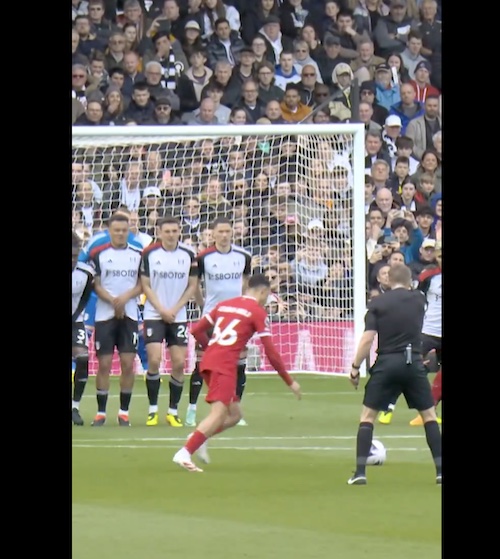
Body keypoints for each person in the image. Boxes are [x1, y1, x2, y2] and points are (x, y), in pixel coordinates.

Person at [172, 274, 302, 472]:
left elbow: (197, 330)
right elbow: (270, 351)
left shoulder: (225, 305)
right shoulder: (256, 312)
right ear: (263, 292)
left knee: (234, 415)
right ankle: (185, 452)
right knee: (220, 412)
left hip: (209, 360)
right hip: (224, 365)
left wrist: (212, 348)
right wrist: (289, 381)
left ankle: (197, 438)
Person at [347, 264, 442, 485]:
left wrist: (355, 367)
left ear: (388, 279)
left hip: (388, 362)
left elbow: (367, 339)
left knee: (367, 417)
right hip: (413, 362)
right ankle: (440, 471)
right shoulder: (419, 301)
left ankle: (360, 473)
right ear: (410, 281)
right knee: (429, 416)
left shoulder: (378, 304)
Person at [186, 217, 252, 427]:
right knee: (202, 363)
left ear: (232, 233)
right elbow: (195, 285)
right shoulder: (204, 257)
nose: (224, 235)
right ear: (213, 234)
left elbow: (246, 283)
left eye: (227, 231)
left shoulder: (243, 256)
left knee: (238, 365)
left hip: (236, 319)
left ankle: (235, 408)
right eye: (220, 232)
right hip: (212, 317)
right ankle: (191, 408)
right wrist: (202, 304)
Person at [140, 216, 198, 427]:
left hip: (178, 315)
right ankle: (152, 410)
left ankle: (172, 411)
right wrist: (162, 309)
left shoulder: (188, 254)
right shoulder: (149, 254)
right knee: (154, 360)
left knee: (179, 363)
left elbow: (192, 285)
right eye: (167, 231)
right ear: (159, 232)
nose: (172, 235)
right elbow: (145, 285)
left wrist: (174, 308)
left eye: (175, 231)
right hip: (154, 314)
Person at [78, 207, 149, 376]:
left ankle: (146, 368)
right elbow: (81, 261)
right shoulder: (97, 241)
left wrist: (125, 298)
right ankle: (75, 368)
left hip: (128, 299)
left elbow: (143, 278)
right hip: (99, 295)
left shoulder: (137, 244)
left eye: (127, 222)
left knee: (137, 333)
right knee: (85, 332)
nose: (123, 229)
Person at [377, 244, 442, 425]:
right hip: (427, 331)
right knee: (406, 367)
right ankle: (387, 408)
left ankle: (428, 412)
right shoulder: (429, 277)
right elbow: (412, 296)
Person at [89, 213, 143, 427]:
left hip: (129, 314)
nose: (121, 233)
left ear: (128, 231)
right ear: (109, 231)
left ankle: (124, 413)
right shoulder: (98, 254)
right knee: (103, 364)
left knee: (128, 364)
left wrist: (124, 299)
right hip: (105, 315)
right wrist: (113, 301)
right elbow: (96, 284)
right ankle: (101, 413)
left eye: (124, 230)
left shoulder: (138, 254)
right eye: (117, 230)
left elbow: (142, 284)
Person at [71, 231, 95, 426]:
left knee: (83, 358)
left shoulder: (86, 273)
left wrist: (75, 315)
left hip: (74, 321)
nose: (72, 259)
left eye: (75, 255)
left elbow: (85, 297)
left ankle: (75, 406)